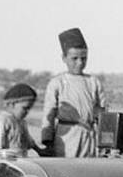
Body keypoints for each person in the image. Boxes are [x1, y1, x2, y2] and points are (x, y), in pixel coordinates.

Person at [41, 28, 106, 157]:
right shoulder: (57, 83)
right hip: (66, 138)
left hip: (88, 137)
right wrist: (47, 141)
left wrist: (105, 142)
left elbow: (103, 113)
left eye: (84, 58)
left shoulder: (93, 82)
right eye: (74, 58)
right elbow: (49, 113)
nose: (80, 63)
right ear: (64, 58)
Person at [0, 83, 45, 161]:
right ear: (12, 104)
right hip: (0, 164)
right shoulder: (2, 121)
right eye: (25, 108)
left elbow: (29, 141)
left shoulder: (22, 122)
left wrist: (40, 151)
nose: (27, 112)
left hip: (18, 164)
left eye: (29, 109)